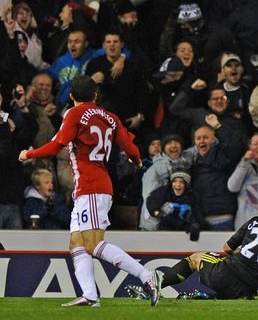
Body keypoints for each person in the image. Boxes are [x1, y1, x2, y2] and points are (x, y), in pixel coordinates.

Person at [18, 75, 161, 307]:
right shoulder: (111, 118)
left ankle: (147, 276)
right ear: (95, 96)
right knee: (76, 243)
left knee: (93, 244)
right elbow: (130, 147)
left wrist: (28, 154)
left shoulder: (74, 114)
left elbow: (56, 146)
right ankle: (89, 295)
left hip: (92, 187)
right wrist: (137, 161)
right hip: (93, 186)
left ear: (72, 96)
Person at [158, 194, 258, 300]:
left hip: (225, 275)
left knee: (195, 258)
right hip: (250, 289)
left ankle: (157, 286)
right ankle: (198, 296)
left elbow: (227, 248)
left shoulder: (255, 221)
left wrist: (242, 251)